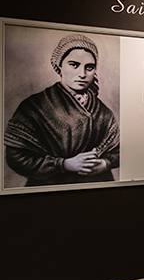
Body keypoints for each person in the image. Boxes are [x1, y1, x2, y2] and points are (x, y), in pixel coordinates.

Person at [4, 33, 119, 186]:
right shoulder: (35, 106)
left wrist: (105, 163)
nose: (82, 74)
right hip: (50, 190)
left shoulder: (103, 112)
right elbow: (16, 157)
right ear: (59, 66)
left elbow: (118, 151)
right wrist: (63, 164)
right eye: (74, 65)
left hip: (97, 186)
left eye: (89, 67)